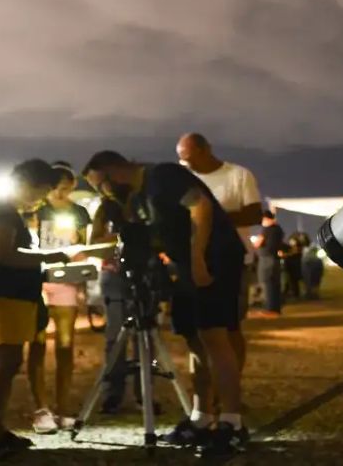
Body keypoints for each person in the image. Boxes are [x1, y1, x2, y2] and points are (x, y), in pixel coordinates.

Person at [84, 150, 249, 457]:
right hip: (184, 267)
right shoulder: (139, 196)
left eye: (101, 185)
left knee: (214, 336)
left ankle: (232, 422)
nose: (102, 192)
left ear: (113, 171)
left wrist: (198, 257)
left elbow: (201, 208)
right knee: (194, 339)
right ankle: (202, 417)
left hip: (215, 259)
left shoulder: (162, 176)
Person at [0, 160, 75, 460]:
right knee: (5, 367)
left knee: (8, 365)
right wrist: (48, 258)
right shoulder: (1, 212)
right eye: (41, 192)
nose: (41, 199)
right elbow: (2, 253)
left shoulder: (6, 212)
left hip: (12, 298)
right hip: (5, 299)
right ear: (26, 184)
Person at [176, 132, 261, 376]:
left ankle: (232, 387)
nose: (187, 165)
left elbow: (254, 214)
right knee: (199, 330)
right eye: (183, 161)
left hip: (233, 261)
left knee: (231, 327)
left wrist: (211, 219)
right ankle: (207, 392)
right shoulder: (186, 180)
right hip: (196, 261)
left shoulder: (238, 176)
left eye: (190, 158)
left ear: (206, 150)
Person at [27, 163, 91, 433]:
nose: (62, 193)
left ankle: (63, 408)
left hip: (67, 278)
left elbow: (86, 248)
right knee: (37, 342)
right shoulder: (36, 210)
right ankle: (42, 408)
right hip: (39, 279)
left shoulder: (79, 212)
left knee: (65, 345)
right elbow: (28, 240)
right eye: (57, 187)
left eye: (67, 187)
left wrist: (81, 260)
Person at [253, 210, 286, 315]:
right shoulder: (278, 229)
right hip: (275, 259)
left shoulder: (266, 229)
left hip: (266, 259)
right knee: (275, 284)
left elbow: (258, 244)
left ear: (265, 218)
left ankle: (270, 309)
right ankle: (276, 309)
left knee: (267, 284)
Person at [281, 232, 308, 300]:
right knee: (291, 280)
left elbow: (295, 253)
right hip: (291, 265)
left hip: (293, 265)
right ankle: (291, 293)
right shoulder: (293, 247)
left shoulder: (297, 248)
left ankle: (295, 294)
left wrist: (286, 255)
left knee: (293, 280)